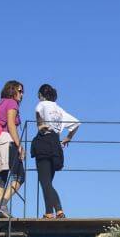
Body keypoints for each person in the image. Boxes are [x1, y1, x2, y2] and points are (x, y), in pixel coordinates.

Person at [31, 83, 80, 218]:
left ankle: (53, 211)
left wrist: (40, 125)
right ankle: (54, 211)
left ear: (41, 95)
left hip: (44, 141)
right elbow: (76, 123)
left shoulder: (41, 104)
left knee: (44, 181)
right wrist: (68, 138)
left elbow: (39, 120)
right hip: (56, 145)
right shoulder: (59, 109)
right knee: (48, 182)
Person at [0, 80, 26, 218]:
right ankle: (1, 204)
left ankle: (0, 209)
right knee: (20, 176)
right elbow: (11, 124)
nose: (22, 94)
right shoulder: (12, 103)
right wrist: (19, 145)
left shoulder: (0, 103)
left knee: (1, 177)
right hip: (7, 141)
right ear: (12, 90)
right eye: (20, 91)